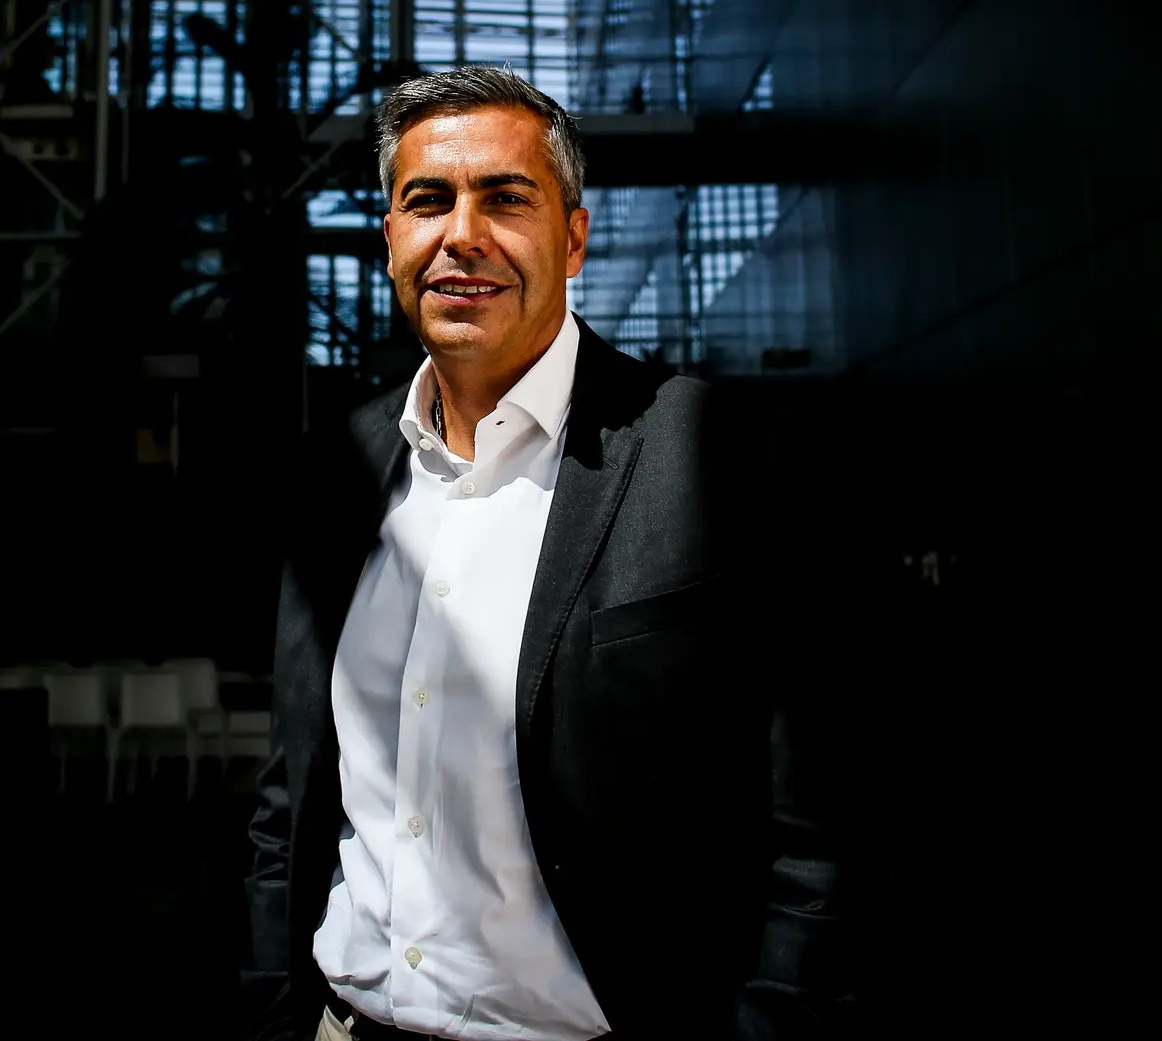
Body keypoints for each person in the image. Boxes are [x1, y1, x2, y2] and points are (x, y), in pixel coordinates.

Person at [244, 67, 854, 1040]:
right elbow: (295, 789)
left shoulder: (711, 452)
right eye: (428, 201)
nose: (462, 234)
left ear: (573, 236)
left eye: (505, 198)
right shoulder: (340, 470)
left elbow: (820, 826)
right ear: (391, 237)